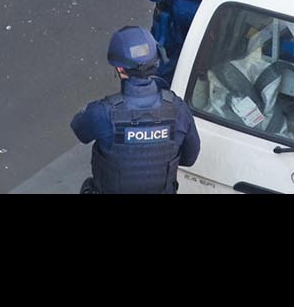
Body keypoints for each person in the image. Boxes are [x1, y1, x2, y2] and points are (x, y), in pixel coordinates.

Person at [70, 26, 201, 194]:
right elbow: (189, 158)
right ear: (156, 60)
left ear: (120, 68)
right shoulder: (178, 110)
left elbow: (79, 129)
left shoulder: (103, 113)